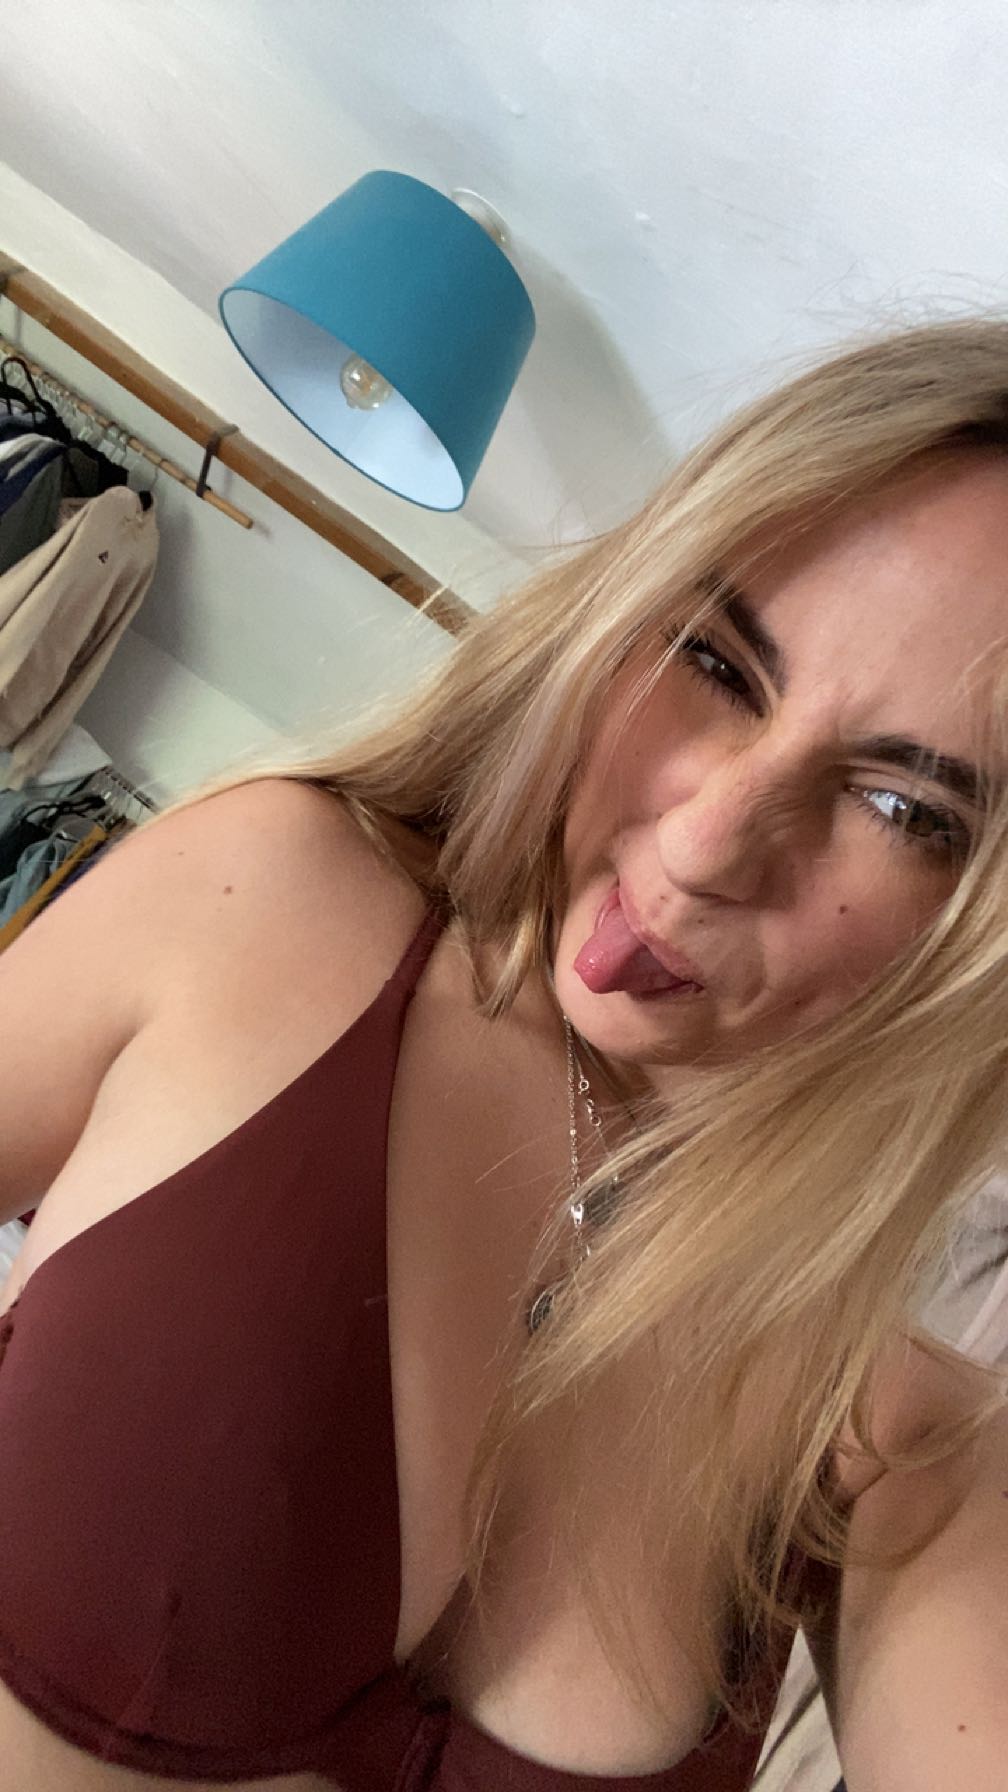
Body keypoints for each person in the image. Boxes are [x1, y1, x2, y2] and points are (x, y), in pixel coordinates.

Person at [0, 317, 1007, 1792]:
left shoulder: (902, 1447)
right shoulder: (267, 899)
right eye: (717, 661)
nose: (707, 844)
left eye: (908, 809)